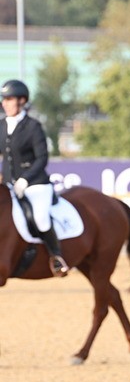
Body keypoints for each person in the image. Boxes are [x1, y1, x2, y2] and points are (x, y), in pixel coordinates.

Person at [1, 79, 68, 276]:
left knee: (39, 218)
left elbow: (42, 158)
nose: (4, 103)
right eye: (3, 99)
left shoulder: (32, 127)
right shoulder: (1, 126)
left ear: (22, 101)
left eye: (9, 99)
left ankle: (56, 257)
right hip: (9, 186)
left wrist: (25, 179)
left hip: (35, 185)